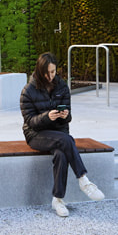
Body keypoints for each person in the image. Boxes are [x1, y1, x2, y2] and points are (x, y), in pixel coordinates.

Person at [20, 52, 105, 218]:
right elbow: (29, 121)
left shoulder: (62, 86)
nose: (51, 76)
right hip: (36, 134)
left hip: (59, 133)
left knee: (61, 153)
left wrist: (65, 115)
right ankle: (83, 180)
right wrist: (47, 117)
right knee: (67, 141)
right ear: (39, 71)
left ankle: (57, 199)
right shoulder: (28, 91)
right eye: (47, 73)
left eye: (53, 72)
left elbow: (69, 117)